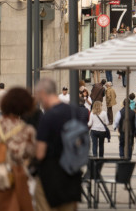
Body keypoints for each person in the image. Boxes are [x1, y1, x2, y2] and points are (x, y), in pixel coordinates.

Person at [35, 78, 87, 210]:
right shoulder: (74, 111)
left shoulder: (47, 117)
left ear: (43, 93)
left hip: (50, 176)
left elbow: (40, 153)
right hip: (72, 174)